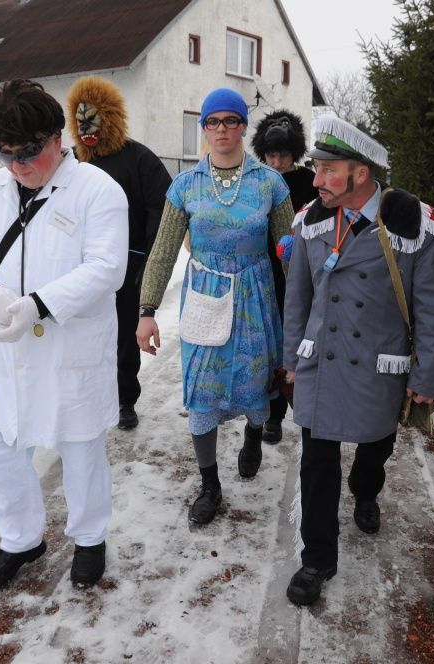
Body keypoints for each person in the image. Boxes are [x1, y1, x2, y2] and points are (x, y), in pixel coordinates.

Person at [0, 80, 128, 591]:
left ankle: (90, 538)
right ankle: (22, 539)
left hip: (71, 350)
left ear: (57, 138)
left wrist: (37, 306)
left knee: (81, 453)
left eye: (28, 152)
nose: (18, 166)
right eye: (5, 155)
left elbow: (106, 268)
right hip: (8, 354)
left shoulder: (98, 191)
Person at [282, 116, 434, 605]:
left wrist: (429, 377)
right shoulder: (310, 221)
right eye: (316, 169)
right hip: (321, 363)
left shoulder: (413, 225)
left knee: (375, 443)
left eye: (327, 169)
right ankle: (316, 559)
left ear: (359, 173)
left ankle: (366, 488)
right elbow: (297, 298)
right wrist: (292, 357)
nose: (315, 180)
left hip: (378, 365)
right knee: (316, 461)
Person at [135, 88, 295, 525]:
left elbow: (291, 253)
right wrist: (147, 310)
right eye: (212, 122)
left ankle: (253, 432)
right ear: (203, 128)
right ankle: (210, 485)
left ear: (243, 126)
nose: (221, 129)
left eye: (230, 120)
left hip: (257, 295)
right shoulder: (185, 186)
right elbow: (164, 250)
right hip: (205, 295)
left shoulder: (270, 184)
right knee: (201, 390)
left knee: (255, 380)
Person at [66, 76, 172, 431]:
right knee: (85, 332)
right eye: (80, 123)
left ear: (109, 119)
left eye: (93, 120)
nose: (86, 129)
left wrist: (148, 252)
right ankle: (88, 394)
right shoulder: (73, 165)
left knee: (124, 333)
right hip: (81, 266)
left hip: (129, 263)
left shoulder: (139, 159)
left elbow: (164, 205)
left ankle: (124, 398)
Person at [250, 109, 318, 444]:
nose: (277, 162)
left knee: (292, 342)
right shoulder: (256, 182)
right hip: (261, 273)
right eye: (272, 156)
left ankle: (293, 406)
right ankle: (269, 414)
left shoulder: (308, 182)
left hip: (298, 273)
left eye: (284, 156)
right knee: (265, 345)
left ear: (294, 155)